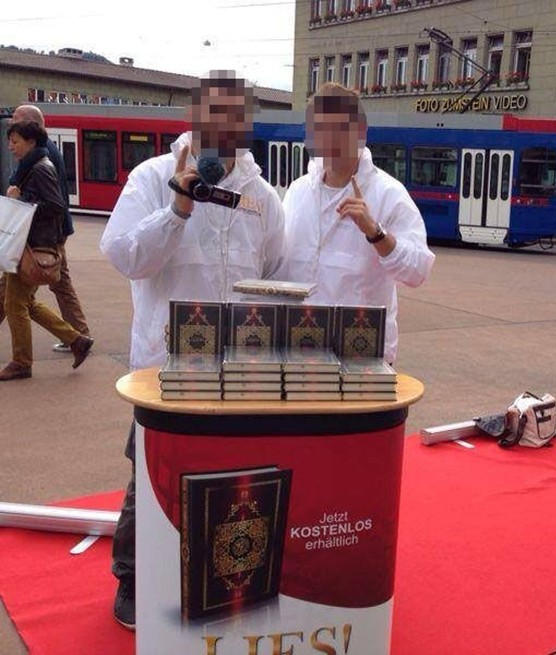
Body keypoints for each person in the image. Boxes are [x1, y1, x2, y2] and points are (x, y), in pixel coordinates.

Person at [99, 71, 286, 630]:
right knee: (152, 476)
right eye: (213, 114)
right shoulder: (154, 176)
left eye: (234, 116)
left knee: (234, 478)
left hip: (238, 372)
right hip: (165, 368)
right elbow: (124, 255)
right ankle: (132, 579)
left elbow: (276, 271)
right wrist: (178, 208)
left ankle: (223, 574)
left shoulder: (262, 196)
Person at [275, 82, 434, 364]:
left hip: (362, 358)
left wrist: (376, 233)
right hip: (299, 353)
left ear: (360, 131)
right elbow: (279, 266)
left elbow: (418, 271)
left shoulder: (388, 193)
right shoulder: (299, 192)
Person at [0, 120, 93, 381]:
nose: (11, 147)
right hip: (25, 244)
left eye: (15, 141)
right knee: (21, 301)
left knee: (15, 303)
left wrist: (22, 200)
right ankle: (76, 340)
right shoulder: (33, 166)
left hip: (31, 246)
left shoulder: (40, 168)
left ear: (31, 141)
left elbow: (55, 205)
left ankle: (21, 362)